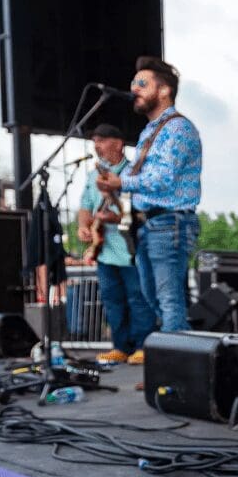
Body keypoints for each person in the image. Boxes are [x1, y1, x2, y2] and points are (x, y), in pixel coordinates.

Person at [97, 56, 201, 332]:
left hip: (169, 223)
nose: (134, 88)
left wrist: (122, 182)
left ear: (164, 90)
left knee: (169, 301)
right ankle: (183, 356)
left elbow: (163, 179)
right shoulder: (150, 131)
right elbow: (138, 175)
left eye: (142, 83)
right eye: (133, 83)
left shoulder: (178, 128)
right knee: (153, 297)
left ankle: (175, 370)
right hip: (149, 224)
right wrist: (112, 178)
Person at [77, 124, 155, 363]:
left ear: (118, 143)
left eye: (101, 141)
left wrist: (114, 216)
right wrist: (84, 226)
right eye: (94, 142)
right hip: (105, 250)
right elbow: (85, 206)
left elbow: (142, 212)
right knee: (111, 299)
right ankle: (120, 346)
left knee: (137, 297)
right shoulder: (93, 175)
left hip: (131, 247)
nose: (97, 146)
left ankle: (143, 345)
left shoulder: (134, 172)